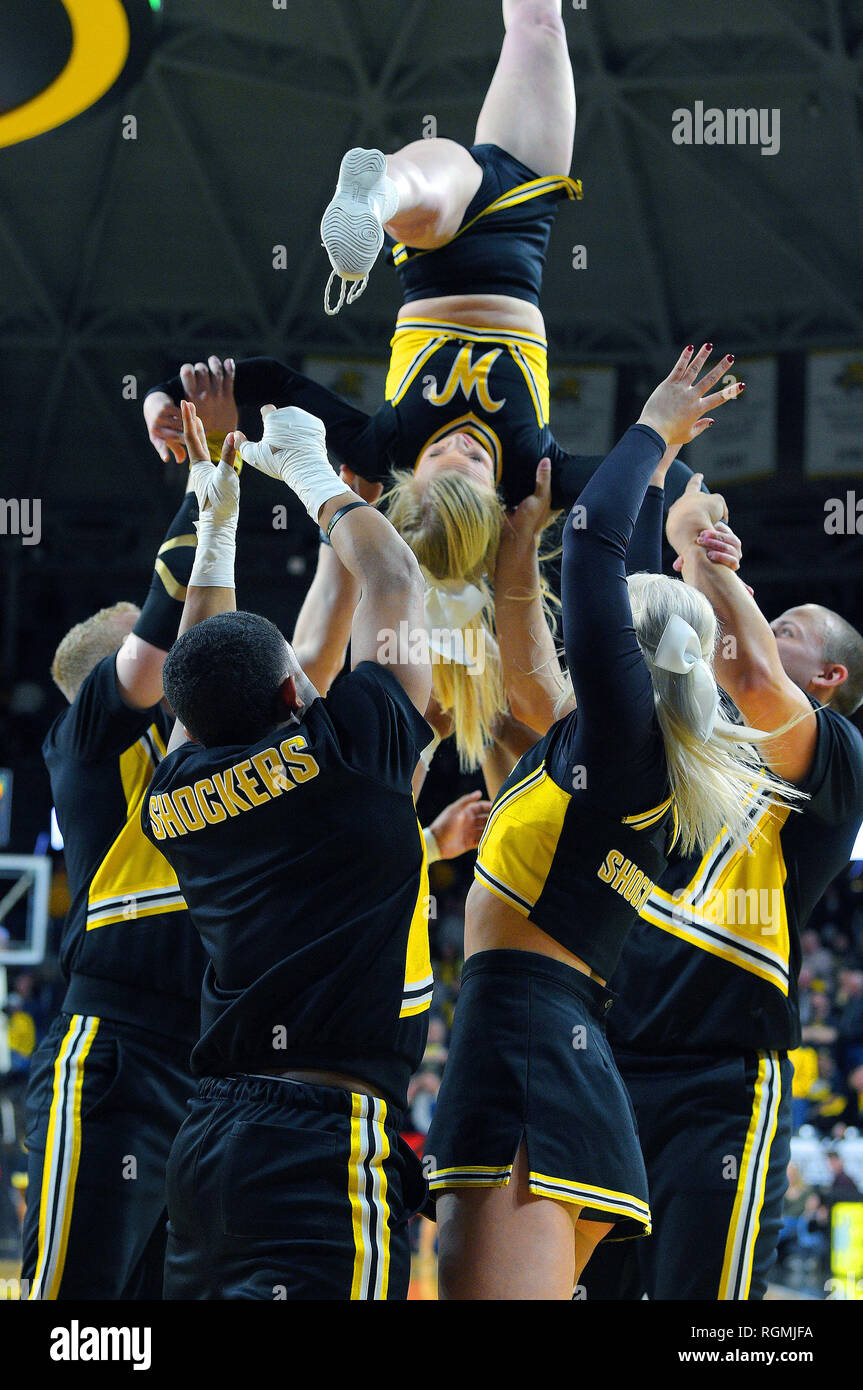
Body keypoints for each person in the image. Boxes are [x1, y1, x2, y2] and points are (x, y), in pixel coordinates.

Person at [142, 0, 697, 767]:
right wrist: (683, 534)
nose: (469, 446)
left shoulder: (380, 447)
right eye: (479, 462)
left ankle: (370, 198)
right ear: (501, 495)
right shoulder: (533, 475)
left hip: (437, 249)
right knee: (538, 24)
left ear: (409, 480)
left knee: (422, 182)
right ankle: (378, 196)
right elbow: (641, 482)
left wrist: (163, 399)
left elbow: (269, 382)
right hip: (524, 219)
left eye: (451, 460)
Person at [421, 346, 802, 1299]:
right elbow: (527, 675)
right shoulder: (626, 768)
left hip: (521, 1054)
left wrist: (656, 434)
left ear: (623, 661)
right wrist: (516, 551)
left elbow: (593, 539)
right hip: (567, 1055)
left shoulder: (623, 745)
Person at [141, 400, 438, 1299]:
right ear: (288, 693)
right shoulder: (344, 753)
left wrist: (218, 516)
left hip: (212, 1136)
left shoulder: (173, 796)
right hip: (321, 1130)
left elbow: (207, 675)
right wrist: (305, 474)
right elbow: (396, 580)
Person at [22, 474, 208, 1300]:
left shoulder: (199, 760)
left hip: (205, 1066)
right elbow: (166, 632)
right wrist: (209, 491)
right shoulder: (85, 742)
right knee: (77, 1308)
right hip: (112, 1052)